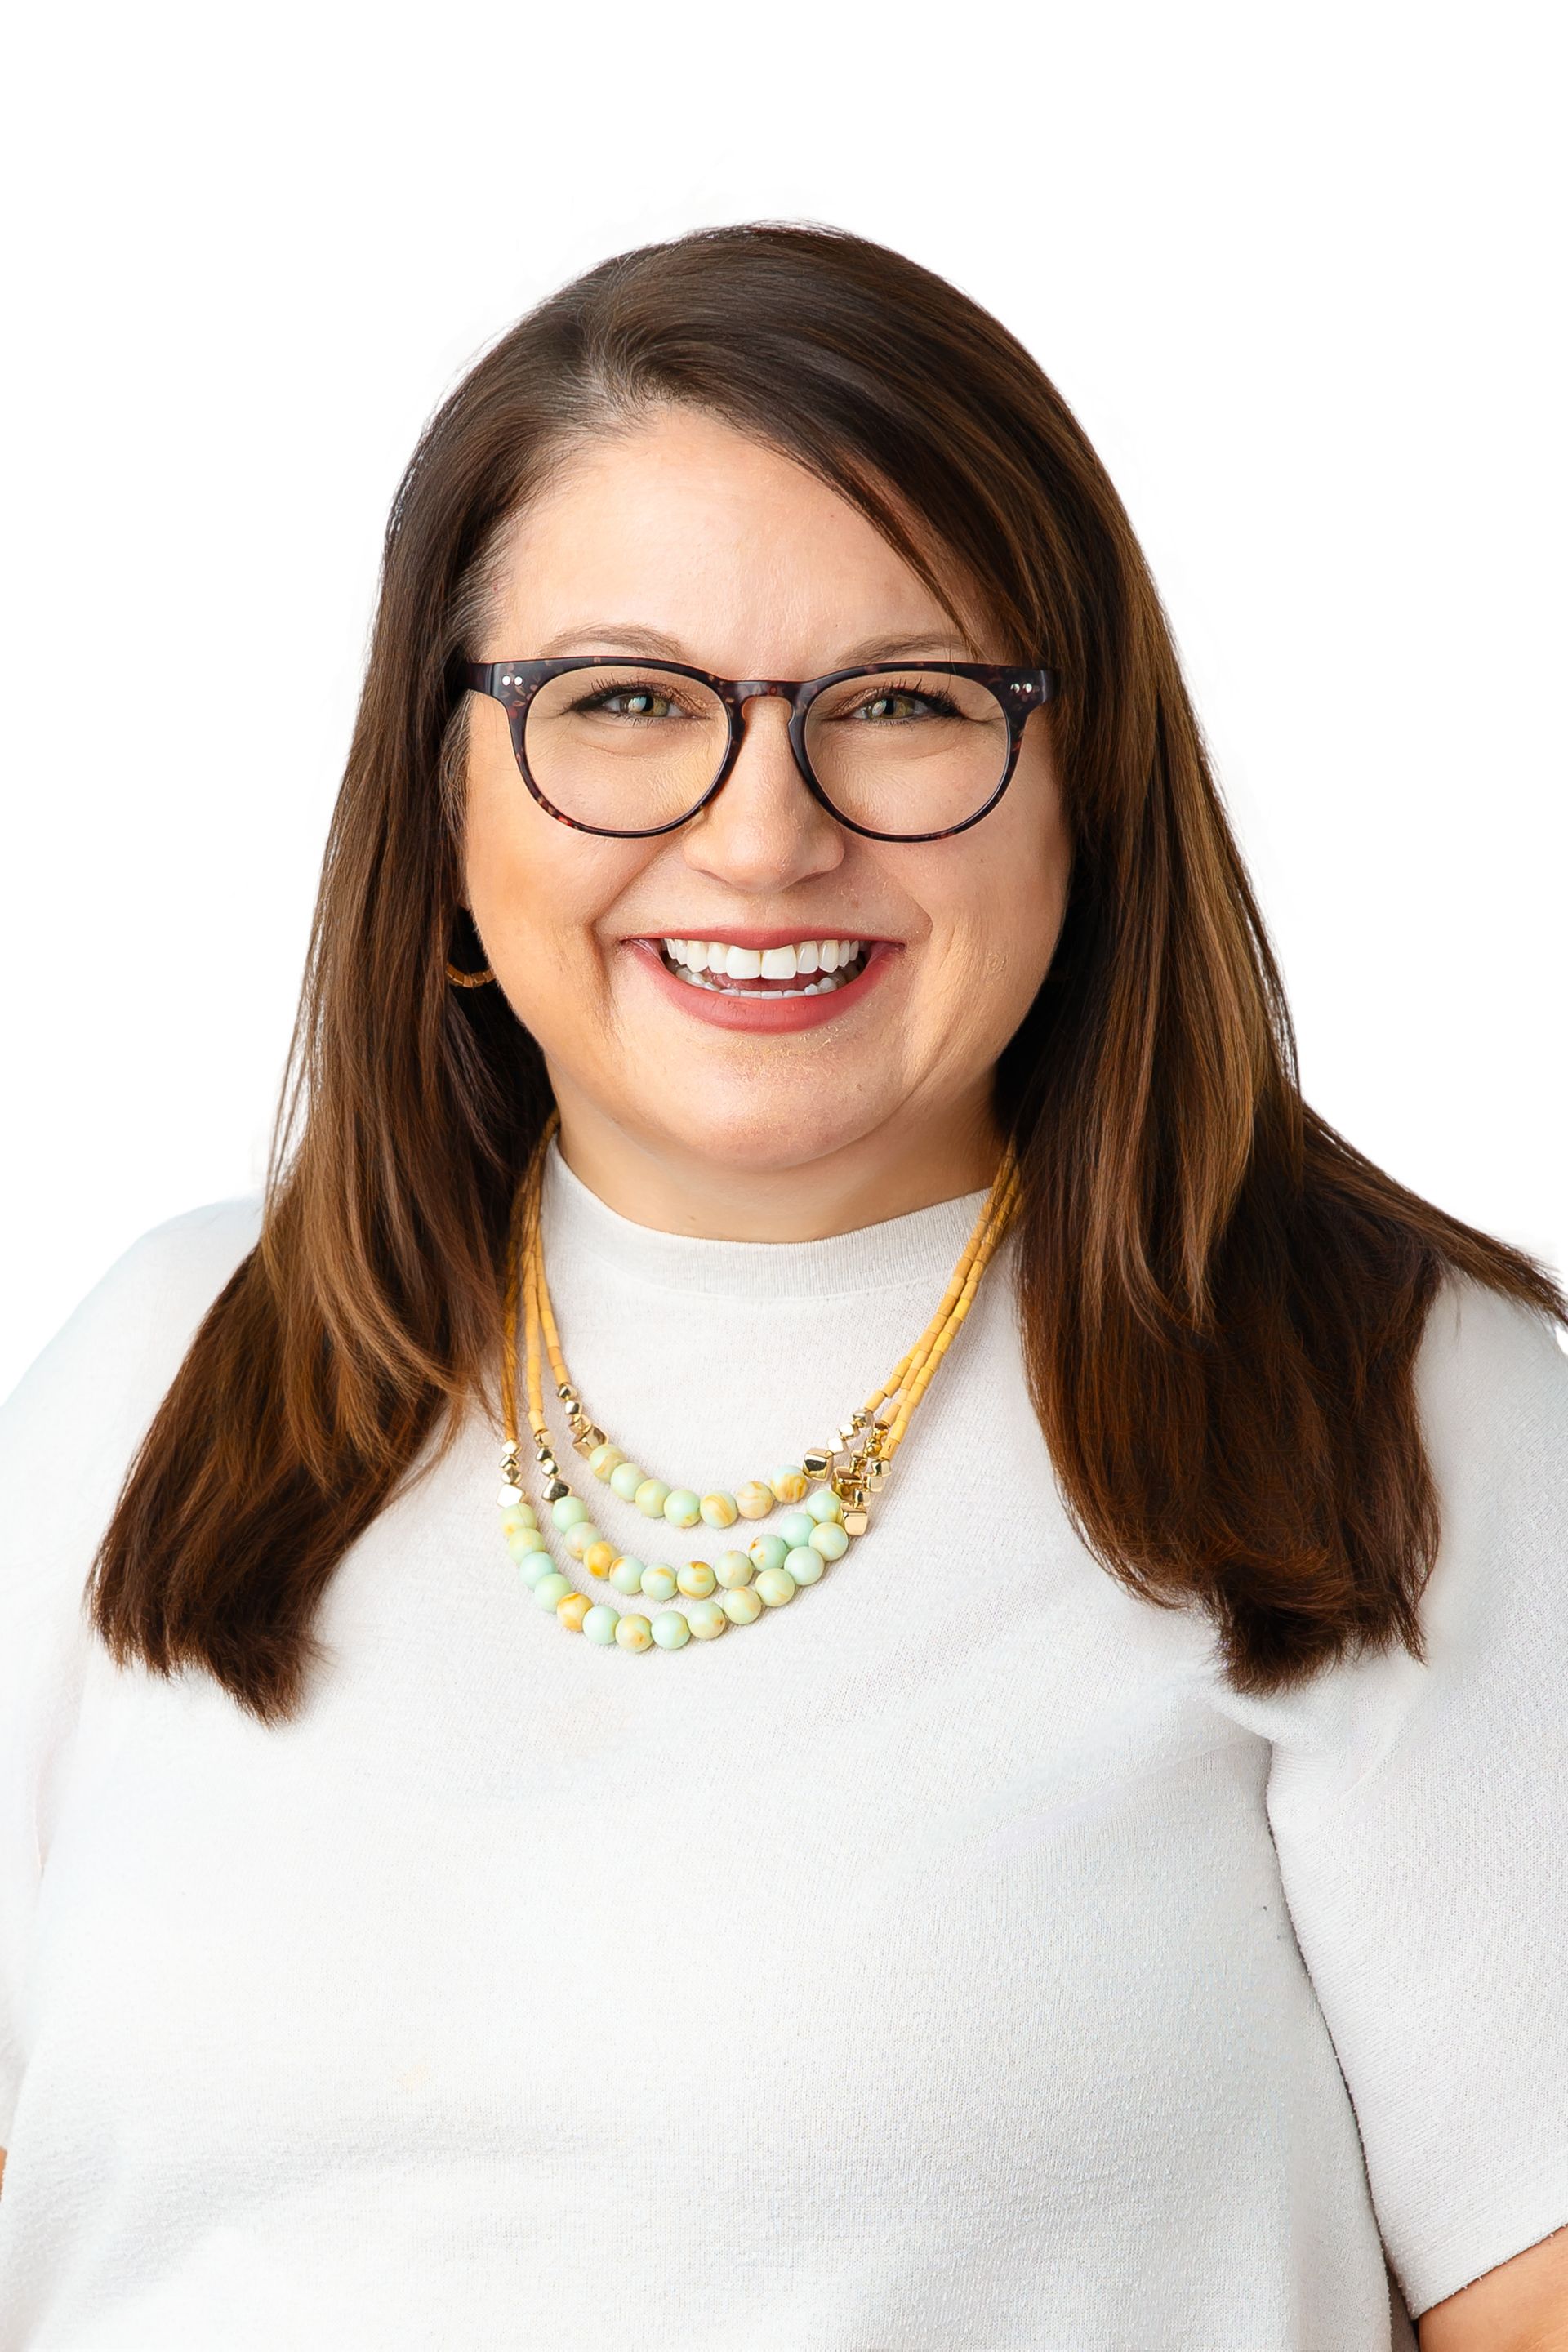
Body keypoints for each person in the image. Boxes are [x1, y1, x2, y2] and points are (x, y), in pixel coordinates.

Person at [1, 220, 1563, 2352]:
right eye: (623, 702)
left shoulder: (1395, 1413)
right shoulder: (163, 1364)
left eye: (904, 706)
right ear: (445, 801)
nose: (762, 838)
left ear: (1079, 786)